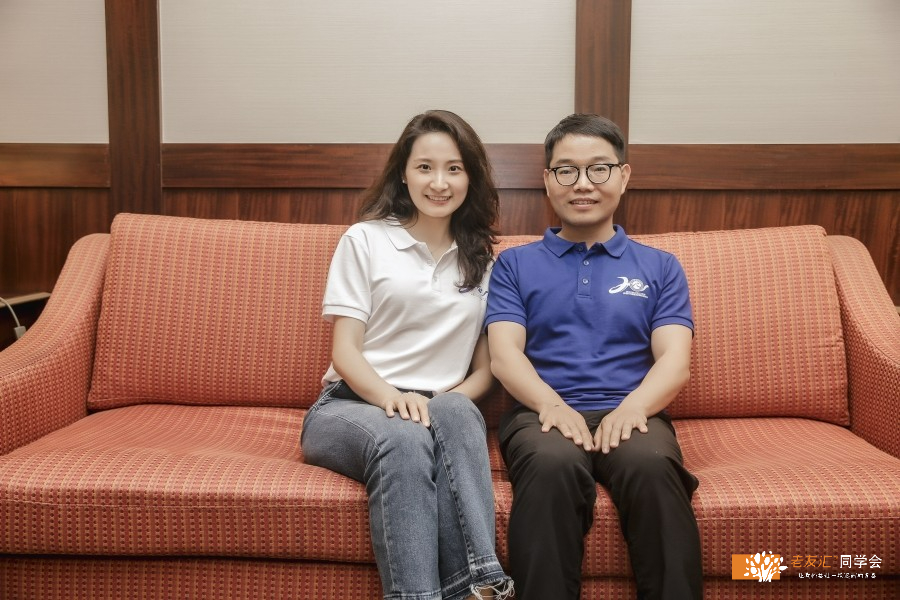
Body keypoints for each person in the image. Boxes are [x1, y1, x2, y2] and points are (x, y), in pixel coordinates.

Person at [485, 114, 701, 600]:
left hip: (633, 409)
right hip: (540, 413)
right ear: (548, 181)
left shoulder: (660, 266)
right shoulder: (514, 264)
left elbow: (674, 359)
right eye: (567, 170)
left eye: (599, 169)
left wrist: (634, 408)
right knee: (551, 466)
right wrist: (551, 405)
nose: (582, 184)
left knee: (652, 466)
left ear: (623, 176)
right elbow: (504, 355)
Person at [301, 110, 514, 600]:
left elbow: (486, 370)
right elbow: (345, 352)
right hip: (352, 404)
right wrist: (394, 399)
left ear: (470, 177)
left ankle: (480, 587)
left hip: (436, 406)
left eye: (454, 168)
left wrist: (440, 403)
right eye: (425, 167)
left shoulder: (483, 259)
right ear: (403, 173)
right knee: (404, 438)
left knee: (456, 411)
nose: (439, 182)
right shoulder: (366, 239)